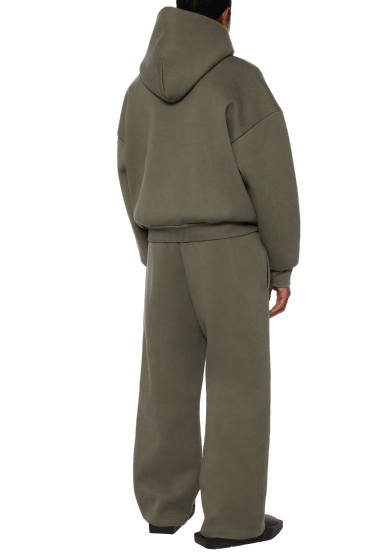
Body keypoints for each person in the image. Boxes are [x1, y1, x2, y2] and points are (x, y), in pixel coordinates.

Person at [116, 1, 300, 549]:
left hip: (164, 252)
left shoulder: (137, 91)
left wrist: (150, 247)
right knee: (238, 384)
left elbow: (127, 172)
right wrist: (282, 264)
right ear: (224, 16)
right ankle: (231, 523)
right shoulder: (239, 79)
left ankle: (163, 509)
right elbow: (272, 176)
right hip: (231, 251)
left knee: (164, 385)